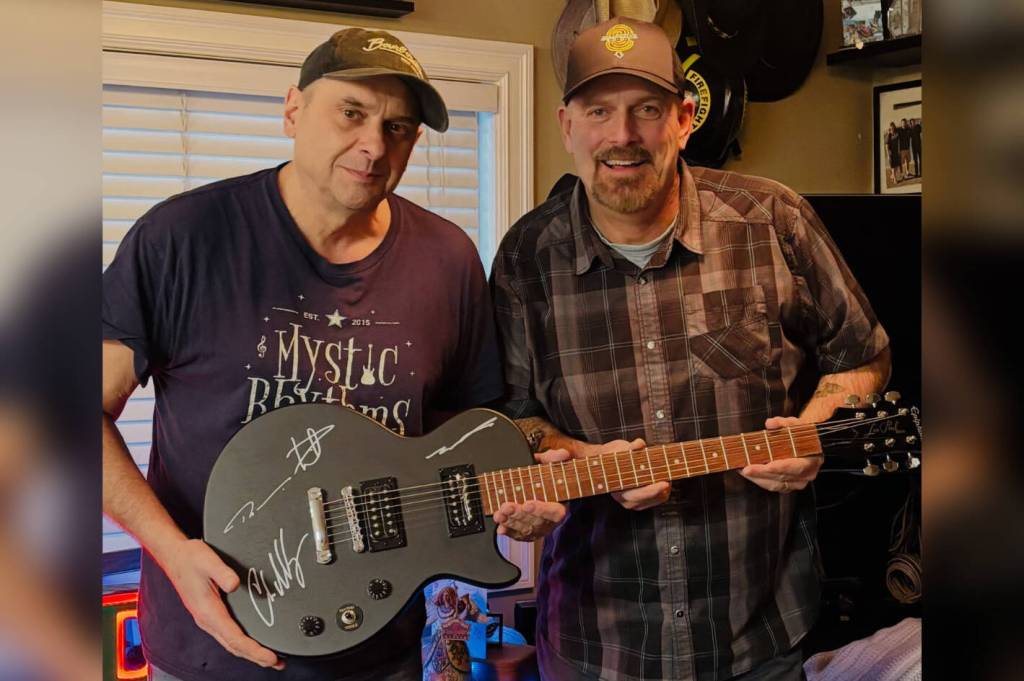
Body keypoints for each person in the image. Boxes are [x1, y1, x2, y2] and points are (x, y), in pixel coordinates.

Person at [489, 17, 892, 681]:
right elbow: (514, 419)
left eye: (646, 109)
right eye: (599, 111)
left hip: (759, 639)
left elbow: (863, 356)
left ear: (683, 117)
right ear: (568, 125)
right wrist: (588, 461)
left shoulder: (775, 219)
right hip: (596, 648)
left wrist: (815, 430)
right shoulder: (524, 260)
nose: (622, 136)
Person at [102, 28, 507, 681]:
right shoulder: (182, 239)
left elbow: (467, 439)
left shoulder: (449, 260)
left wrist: (521, 496)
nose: (375, 145)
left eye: (400, 128)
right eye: (352, 112)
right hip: (211, 652)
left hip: (382, 652)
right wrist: (172, 551)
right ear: (293, 110)